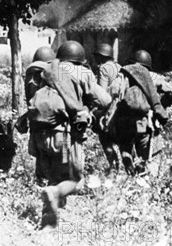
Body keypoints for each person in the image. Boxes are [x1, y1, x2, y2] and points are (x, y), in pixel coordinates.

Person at [27, 41, 111, 228]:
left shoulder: (46, 69)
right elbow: (105, 100)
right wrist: (87, 107)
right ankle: (55, 195)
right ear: (80, 58)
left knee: (54, 177)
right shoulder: (82, 72)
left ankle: (48, 223)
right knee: (75, 180)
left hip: (40, 135)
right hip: (64, 136)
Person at [106, 50, 168, 175]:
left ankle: (130, 171)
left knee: (125, 148)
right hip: (144, 121)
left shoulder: (123, 74)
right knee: (145, 153)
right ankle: (142, 176)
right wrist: (162, 105)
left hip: (124, 121)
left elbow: (112, 91)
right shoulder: (154, 77)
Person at [17, 46, 56, 183]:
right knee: (50, 151)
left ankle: (41, 179)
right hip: (50, 119)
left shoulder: (30, 74)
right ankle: (48, 180)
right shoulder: (52, 73)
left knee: (40, 151)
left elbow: (30, 98)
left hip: (34, 118)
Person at [91, 43, 122, 171]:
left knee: (104, 137)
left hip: (108, 108)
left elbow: (102, 92)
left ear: (101, 56)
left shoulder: (103, 68)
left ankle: (113, 166)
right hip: (120, 107)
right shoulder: (119, 66)